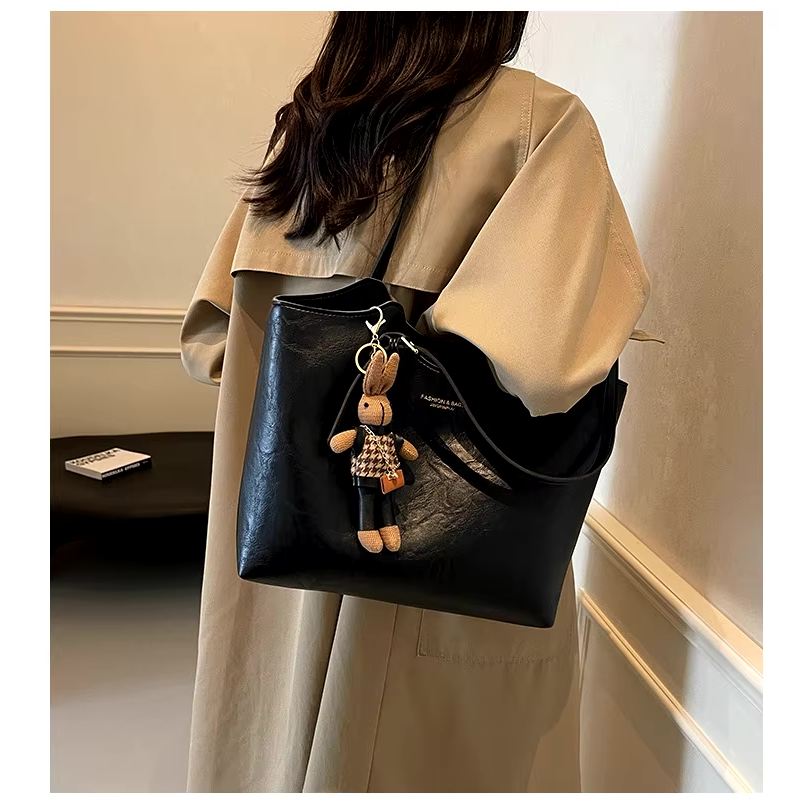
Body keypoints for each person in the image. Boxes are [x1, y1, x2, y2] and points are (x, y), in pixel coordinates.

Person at [180, 11, 651, 792]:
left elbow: (214, 347)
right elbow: (545, 371)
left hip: (276, 546)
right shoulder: (538, 126)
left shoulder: (306, 130)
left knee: (266, 742)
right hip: (432, 576)